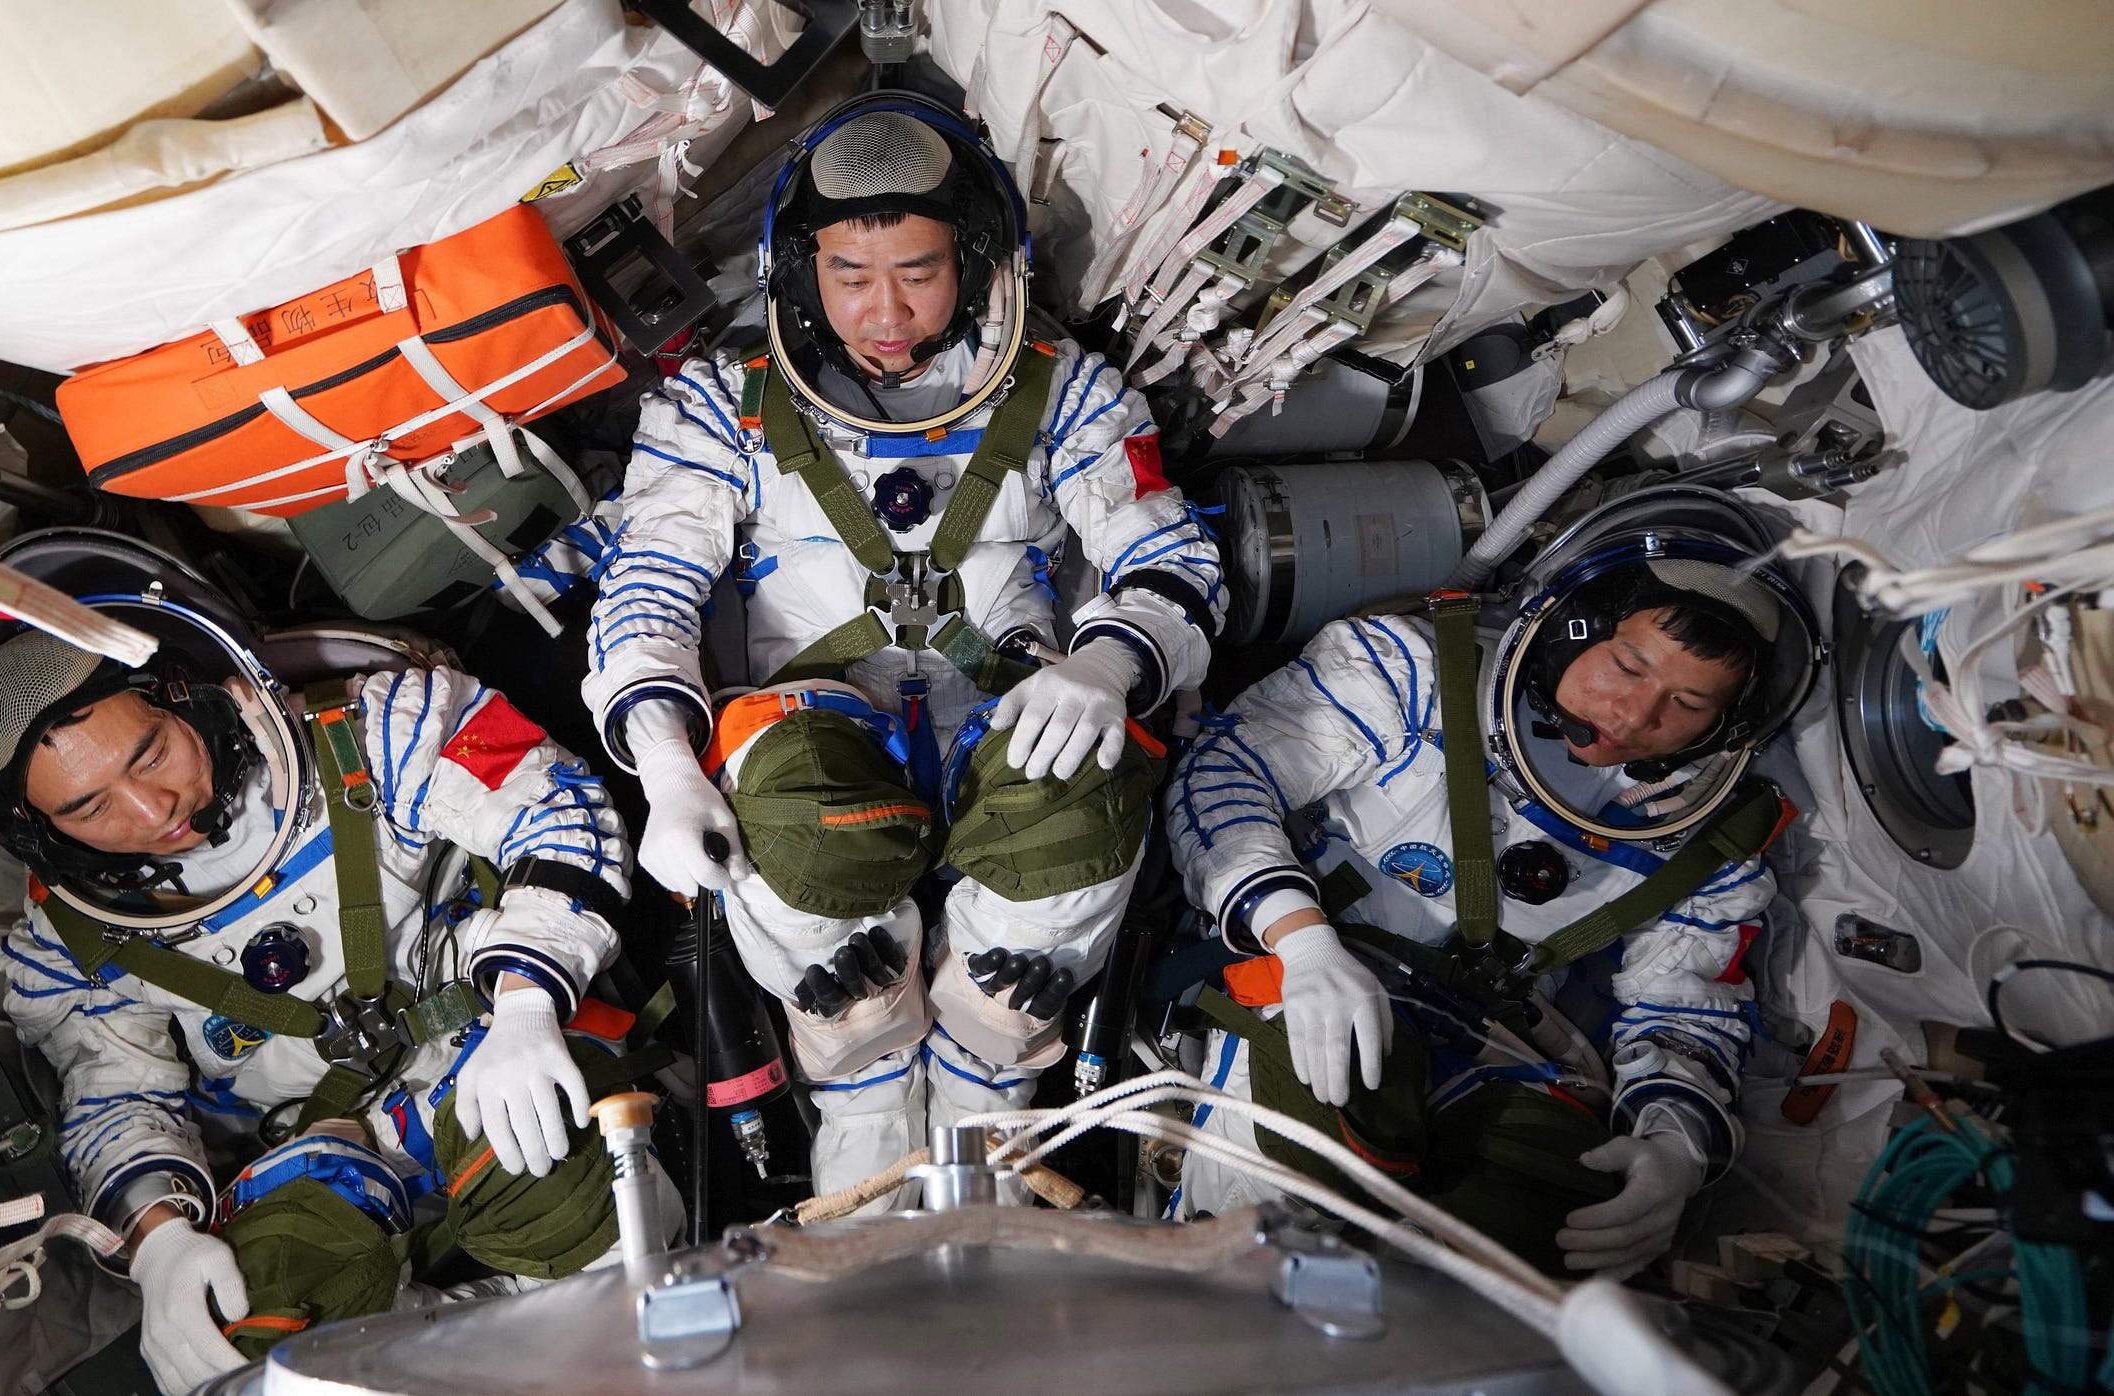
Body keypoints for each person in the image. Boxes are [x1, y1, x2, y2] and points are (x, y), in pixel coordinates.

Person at [581, 93, 1226, 1194]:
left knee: (1083, 779)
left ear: (976, 263)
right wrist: (667, 767)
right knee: (797, 823)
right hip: (817, 758)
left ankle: (991, 1080)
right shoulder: (718, 408)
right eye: (849, 276)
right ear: (797, 272)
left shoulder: (1067, 394)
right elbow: (650, 585)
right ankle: (862, 1106)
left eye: (920, 272)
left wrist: (1106, 664)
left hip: (1014, 730)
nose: (886, 312)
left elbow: (1173, 557)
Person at [0, 625, 644, 1394]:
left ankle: (578, 1322)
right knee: (244, 1335)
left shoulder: (377, 732)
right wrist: (158, 1242)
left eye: (151, 753)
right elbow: (113, 1096)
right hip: (315, 1162)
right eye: (91, 808)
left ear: (186, 697)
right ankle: (480, 1344)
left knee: (571, 1203)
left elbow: (555, 810)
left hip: (490, 1061)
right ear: (42, 830)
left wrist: (527, 1004)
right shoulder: (73, 941)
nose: (150, 809)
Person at [1164, 490, 1820, 1276]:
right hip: (1313, 981)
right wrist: (1298, 939)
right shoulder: (1411, 674)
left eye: (1687, 702)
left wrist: (1674, 1143)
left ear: (1725, 724)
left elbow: (1682, 1007)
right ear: (1571, 626)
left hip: (1500, 1048)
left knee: (1568, 1217)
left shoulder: (1707, 845)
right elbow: (1227, 773)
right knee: (1311, 1172)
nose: (1638, 714)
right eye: (1628, 663)